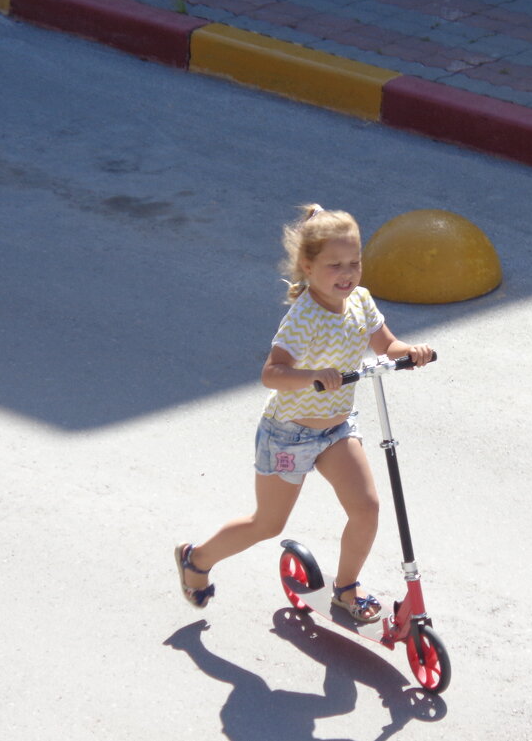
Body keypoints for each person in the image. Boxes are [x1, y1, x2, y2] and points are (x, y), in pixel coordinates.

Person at [176, 203, 434, 623]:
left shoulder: (361, 302)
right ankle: (197, 559)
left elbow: (387, 346)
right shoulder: (304, 318)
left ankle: (347, 589)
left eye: (354, 262)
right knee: (267, 524)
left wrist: (412, 352)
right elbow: (272, 374)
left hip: (335, 429)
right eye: (335, 265)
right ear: (308, 268)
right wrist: (314, 375)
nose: (347, 273)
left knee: (366, 508)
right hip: (289, 433)